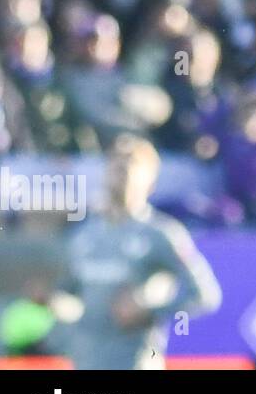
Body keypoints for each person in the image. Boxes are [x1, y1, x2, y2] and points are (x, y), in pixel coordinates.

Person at [56, 136, 222, 369]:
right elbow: (71, 293)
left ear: (150, 181)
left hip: (135, 361)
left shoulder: (161, 233)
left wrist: (149, 309)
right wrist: (52, 302)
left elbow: (205, 295)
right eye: (116, 162)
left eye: (131, 164)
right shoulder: (84, 235)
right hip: (87, 364)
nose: (121, 170)